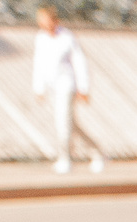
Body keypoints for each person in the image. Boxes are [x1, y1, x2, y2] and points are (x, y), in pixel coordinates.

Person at [31, 9, 106, 176]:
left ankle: (65, 159)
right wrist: (38, 87)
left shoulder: (67, 38)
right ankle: (96, 152)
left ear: (54, 20)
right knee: (70, 124)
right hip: (52, 88)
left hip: (67, 86)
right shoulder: (41, 39)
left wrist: (83, 88)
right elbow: (39, 64)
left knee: (63, 123)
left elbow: (80, 62)